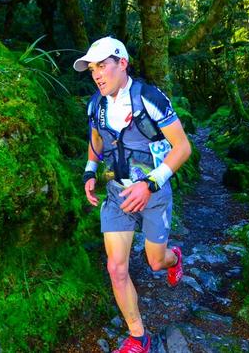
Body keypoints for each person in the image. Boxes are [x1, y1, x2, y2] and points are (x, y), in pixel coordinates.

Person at [74, 36, 192, 353]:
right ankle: (138, 336)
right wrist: (89, 171)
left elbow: (182, 148)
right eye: (92, 69)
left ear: (121, 63)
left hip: (153, 190)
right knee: (116, 268)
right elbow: (96, 141)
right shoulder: (96, 105)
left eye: (102, 66)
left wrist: (150, 184)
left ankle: (173, 258)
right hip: (117, 194)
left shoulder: (150, 98)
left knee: (155, 262)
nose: (97, 74)